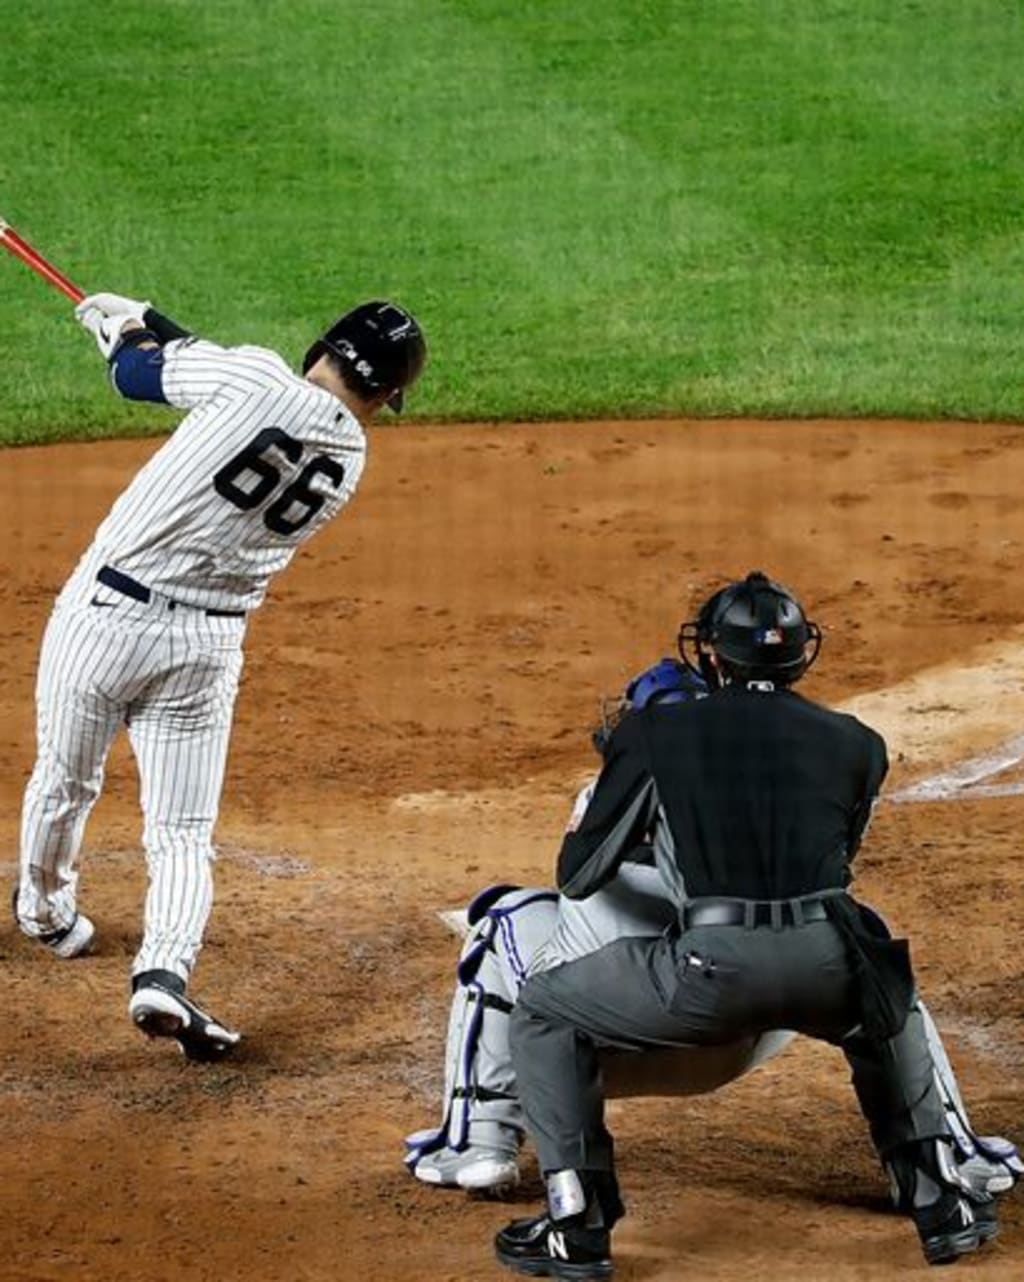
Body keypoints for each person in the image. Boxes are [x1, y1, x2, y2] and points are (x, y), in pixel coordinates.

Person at [490, 571, 1012, 1277]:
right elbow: (832, 857)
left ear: (712, 656)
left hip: (711, 971)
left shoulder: (659, 731)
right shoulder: (858, 743)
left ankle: (575, 1221)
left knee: (544, 1011)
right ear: (801, 656)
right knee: (885, 1004)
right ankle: (938, 1197)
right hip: (829, 960)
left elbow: (578, 874)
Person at [405, 660, 1020, 1212]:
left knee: (505, 920)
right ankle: (949, 1156)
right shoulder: (765, 796)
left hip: (612, 1040)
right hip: (750, 1032)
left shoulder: (607, 788)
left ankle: (478, 1143)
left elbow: (578, 880)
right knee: (865, 952)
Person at [12, 290, 426, 1061]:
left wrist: (123, 331)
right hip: (203, 649)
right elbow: (233, 375)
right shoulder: (347, 459)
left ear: (322, 346)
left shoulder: (252, 378)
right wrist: (152, 316)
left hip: (102, 621)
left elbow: (136, 376)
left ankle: (45, 914)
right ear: (384, 393)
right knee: (181, 832)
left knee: (66, 782)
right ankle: (163, 970)